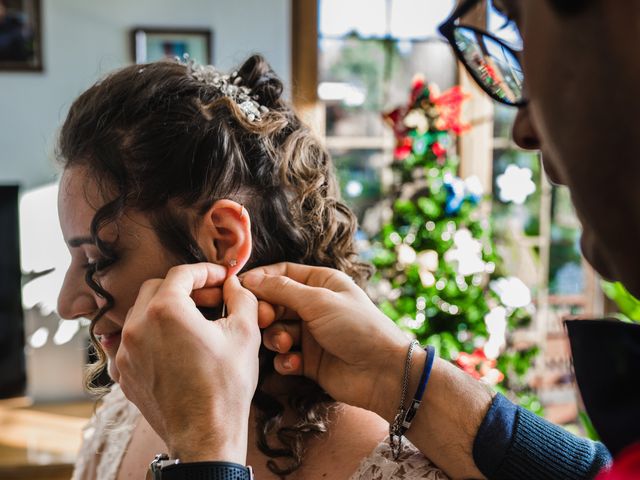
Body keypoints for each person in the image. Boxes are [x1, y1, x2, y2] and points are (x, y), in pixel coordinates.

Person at [105, 0, 640, 479]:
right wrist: (398, 374)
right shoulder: (119, 418)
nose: (521, 128)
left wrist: (206, 459)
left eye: (519, 31)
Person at [56, 55, 449, 479]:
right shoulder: (129, 410)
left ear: (223, 241)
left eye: (98, 259)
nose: (67, 304)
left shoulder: (398, 468)